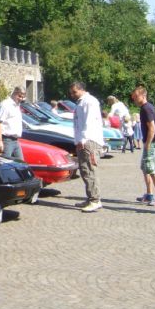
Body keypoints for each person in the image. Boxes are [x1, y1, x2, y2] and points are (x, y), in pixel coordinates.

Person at [69, 82, 105, 212]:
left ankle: (95, 200)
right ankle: (91, 198)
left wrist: (83, 139)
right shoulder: (81, 102)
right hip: (84, 140)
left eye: (74, 92)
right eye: (71, 92)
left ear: (81, 89)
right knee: (85, 170)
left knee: (89, 170)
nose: (72, 95)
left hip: (89, 141)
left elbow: (88, 122)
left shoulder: (89, 101)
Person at [131, 86, 155, 206]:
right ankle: (149, 194)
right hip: (150, 142)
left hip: (153, 142)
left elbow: (152, 128)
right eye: (133, 97)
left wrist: (147, 144)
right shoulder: (144, 108)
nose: (134, 99)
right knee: (145, 168)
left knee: (152, 170)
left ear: (143, 95)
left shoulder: (147, 108)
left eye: (136, 96)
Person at [0, 87, 25, 160]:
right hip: (6, 140)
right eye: (19, 96)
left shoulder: (16, 105)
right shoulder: (5, 104)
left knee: (21, 163)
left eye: (22, 97)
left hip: (15, 140)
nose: (21, 99)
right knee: (5, 163)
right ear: (14, 93)